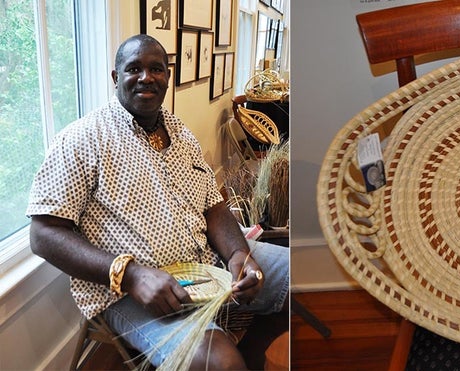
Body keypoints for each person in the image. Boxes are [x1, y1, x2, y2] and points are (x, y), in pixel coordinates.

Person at [26, 34, 288, 370]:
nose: (146, 77)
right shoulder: (81, 139)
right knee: (220, 364)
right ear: (115, 77)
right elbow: (43, 234)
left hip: (206, 263)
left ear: (168, 76)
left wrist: (240, 254)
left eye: (156, 68)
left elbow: (213, 205)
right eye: (133, 68)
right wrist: (132, 275)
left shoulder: (180, 132)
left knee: (306, 274)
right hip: (128, 289)